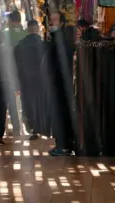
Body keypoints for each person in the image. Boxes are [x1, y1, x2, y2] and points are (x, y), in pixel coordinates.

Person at [46, 11, 76, 156]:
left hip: (61, 84)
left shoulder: (62, 38)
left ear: (62, 22)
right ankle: (62, 144)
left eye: (55, 20)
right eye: (51, 20)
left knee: (61, 114)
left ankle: (64, 146)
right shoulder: (58, 37)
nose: (52, 23)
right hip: (57, 83)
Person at [14, 20, 47, 140]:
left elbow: (16, 64)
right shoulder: (44, 44)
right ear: (37, 29)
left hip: (25, 80)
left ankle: (31, 126)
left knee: (27, 103)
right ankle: (38, 127)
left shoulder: (20, 45)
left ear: (27, 29)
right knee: (39, 102)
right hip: (40, 79)